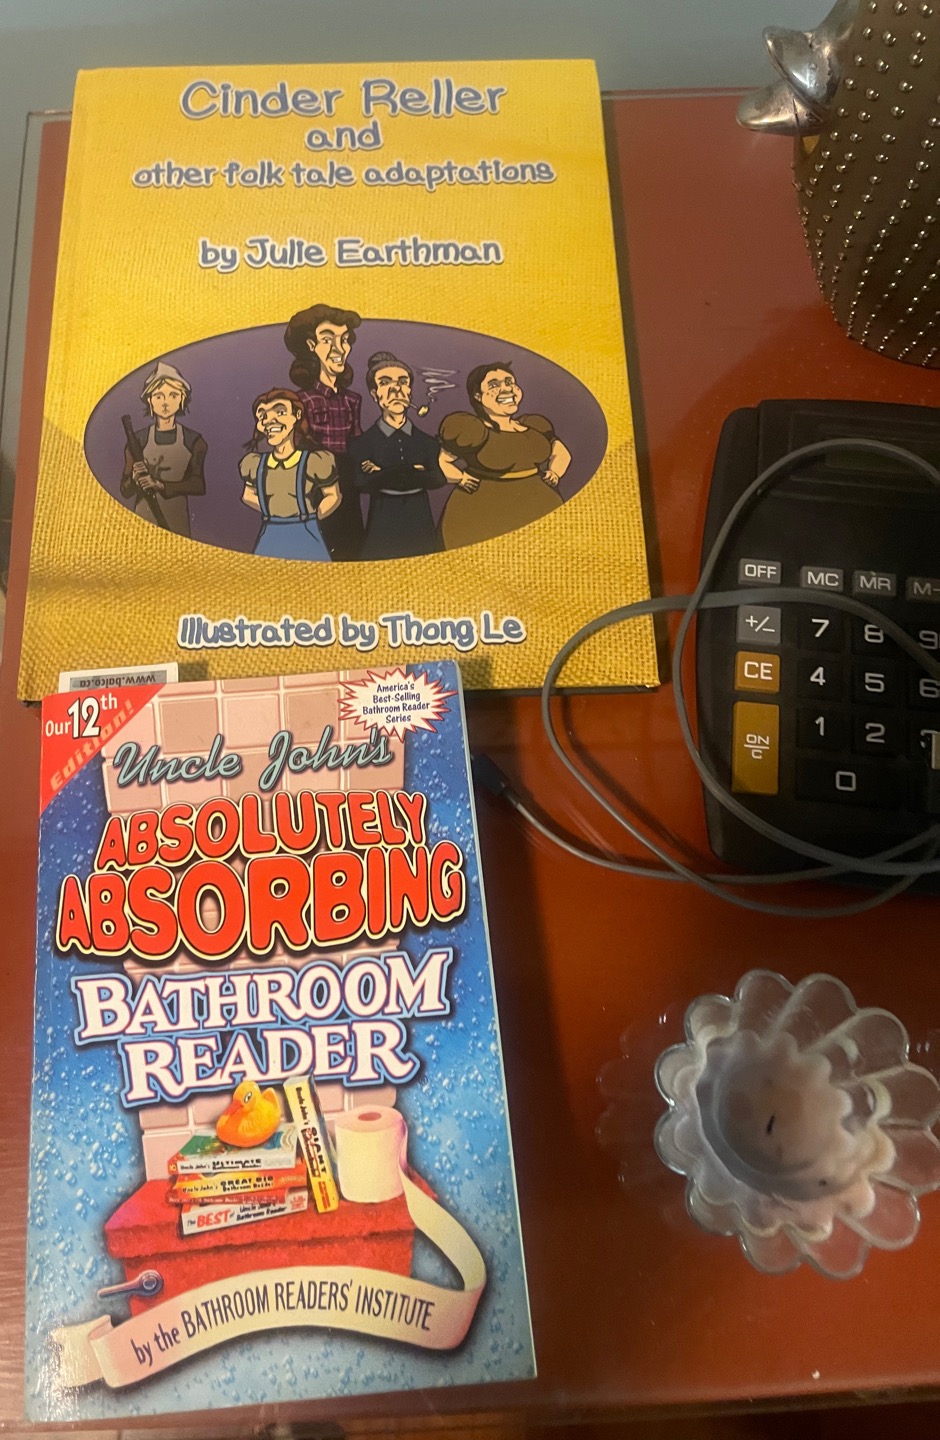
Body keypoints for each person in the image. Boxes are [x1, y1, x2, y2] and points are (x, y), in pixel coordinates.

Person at [437, 361, 571, 549]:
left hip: (538, 505)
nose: (506, 389)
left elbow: (559, 450)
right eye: (494, 385)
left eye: (509, 382)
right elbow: (441, 461)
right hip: (480, 512)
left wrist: (555, 471)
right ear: (478, 396)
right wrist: (460, 478)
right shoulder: (471, 429)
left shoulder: (534, 425)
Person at [283, 302, 365, 560]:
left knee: (351, 549)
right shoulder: (301, 400)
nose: (339, 348)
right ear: (311, 346)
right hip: (315, 482)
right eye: (328, 340)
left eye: (344, 339)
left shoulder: (352, 399)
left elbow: (357, 442)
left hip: (349, 484)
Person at [347, 351, 448, 560]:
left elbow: (438, 479)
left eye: (403, 382)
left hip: (420, 524)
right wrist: (413, 471)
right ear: (374, 394)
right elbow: (361, 483)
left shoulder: (427, 442)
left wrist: (382, 473)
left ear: (410, 391)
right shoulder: (362, 443)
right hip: (382, 525)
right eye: (385, 383)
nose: (396, 389)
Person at [239, 389, 340, 561]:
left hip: (307, 534)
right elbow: (247, 495)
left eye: (280, 412)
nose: (269, 421)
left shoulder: (314, 462)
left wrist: (312, 517)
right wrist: (273, 510)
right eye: (262, 416)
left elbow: (333, 496)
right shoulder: (255, 464)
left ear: (297, 415)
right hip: (270, 534)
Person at [120, 360, 206, 536]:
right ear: (150, 400)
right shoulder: (137, 440)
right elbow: (125, 490)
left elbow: (198, 485)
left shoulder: (194, 441)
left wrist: (159, 485)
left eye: (173, 395)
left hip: (176, 522)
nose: (165, 403)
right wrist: (135, 480)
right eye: (159, 396)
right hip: (143, 521)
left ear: (182, 399)